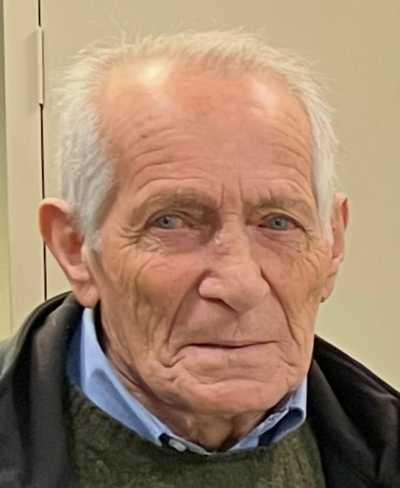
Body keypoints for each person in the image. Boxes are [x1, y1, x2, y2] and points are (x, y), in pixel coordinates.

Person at [0, 31, 398, 488]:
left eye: (278, 223)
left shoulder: (384, 446)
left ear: (332, 244)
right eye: (171, 222)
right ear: (75, 248)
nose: (239, 284)